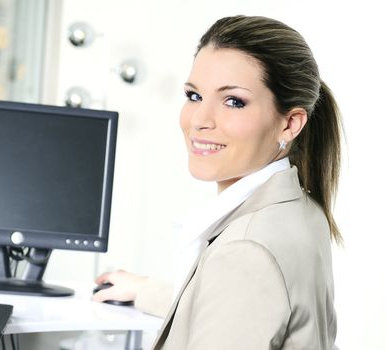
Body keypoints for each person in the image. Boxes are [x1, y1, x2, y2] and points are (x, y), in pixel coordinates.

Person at [93, 15, 342, 349]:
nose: (199, 120)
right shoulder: (300, 209)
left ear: (290, 123)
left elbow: (243, 281)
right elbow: (243, 309)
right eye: (194, 96)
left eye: (233, 101)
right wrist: (147, 291)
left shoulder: (245, 253)